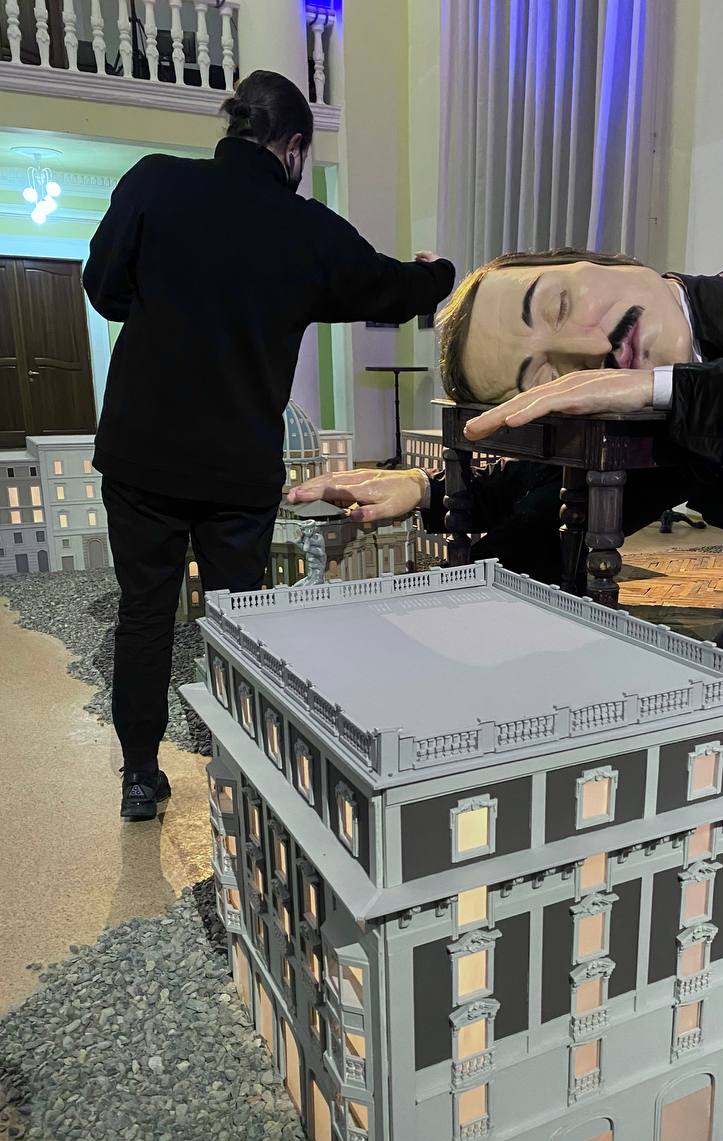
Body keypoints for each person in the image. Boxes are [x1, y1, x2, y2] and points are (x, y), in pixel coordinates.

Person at [287, 249, 723, 760]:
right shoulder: (669, 369)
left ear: (604, 259)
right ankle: (455, 653)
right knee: (598, 484)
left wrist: (668, 388)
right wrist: (426, 488)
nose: (586, 348)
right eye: (549, 377)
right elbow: (562, 471)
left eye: (556, 305)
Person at [84, 70, 454, 818]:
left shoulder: (154, 182)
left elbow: (104, 288)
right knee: (238, 618)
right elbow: (388, 289)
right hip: (234, 469)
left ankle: (140, 777)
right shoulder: (304, 227)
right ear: (293, 148)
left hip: (140, 453)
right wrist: (437, 275)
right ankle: (242, 761)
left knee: (144, 615)